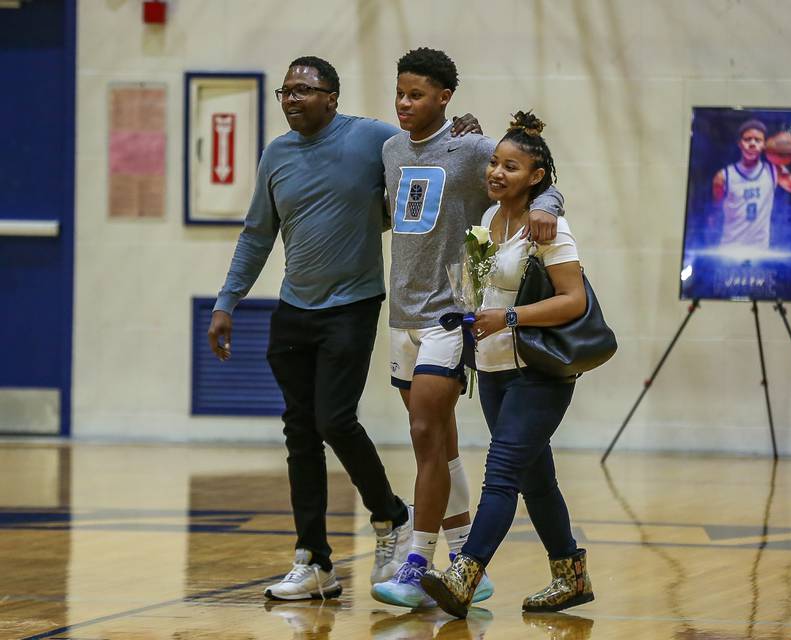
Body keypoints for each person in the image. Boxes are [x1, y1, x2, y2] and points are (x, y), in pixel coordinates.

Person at [207, 55, 480, 601]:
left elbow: (423, 154)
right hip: (293, 310)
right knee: (300, 431)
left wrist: (463, 130)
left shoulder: (375, 140)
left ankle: (391, 516)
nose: (291, 98)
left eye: (303, 90)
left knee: (334, 418)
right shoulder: (276, 156)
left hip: (354, 304)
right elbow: (258, 234)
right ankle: (314, 561)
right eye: (285, 90)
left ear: (332, 96)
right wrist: (227, 301)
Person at [371, 48, 564, 609]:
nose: (404, 104)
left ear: (445, 97)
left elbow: (534, 172)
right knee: (441, 443)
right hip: (400, 316)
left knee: (427, 434)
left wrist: (549, 202)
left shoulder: (473, 147)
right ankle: (465, 564)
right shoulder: (388, 149)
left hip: (448, 315)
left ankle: (416, 561)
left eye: (416, 95)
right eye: (399, 93)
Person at [419, 111, 594, 619]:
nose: (496, 172)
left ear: (536, 178)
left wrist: (510, 316)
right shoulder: (491, 220)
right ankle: (570, 576)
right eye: (494, 163)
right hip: (493, 372)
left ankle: (464, 574)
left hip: (538, 373)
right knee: (536, 481)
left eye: (510, 167)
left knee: (500, 475)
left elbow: (574, 300)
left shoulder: (548, 227)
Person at [711, 119, 791, 249]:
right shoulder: (723, 177)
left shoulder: (774, 170)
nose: (752, 144)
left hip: (760, 250)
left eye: (757, 140)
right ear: (740, 144)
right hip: (729, 248)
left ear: (764, 145)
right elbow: (715, 212)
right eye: (747, 139)